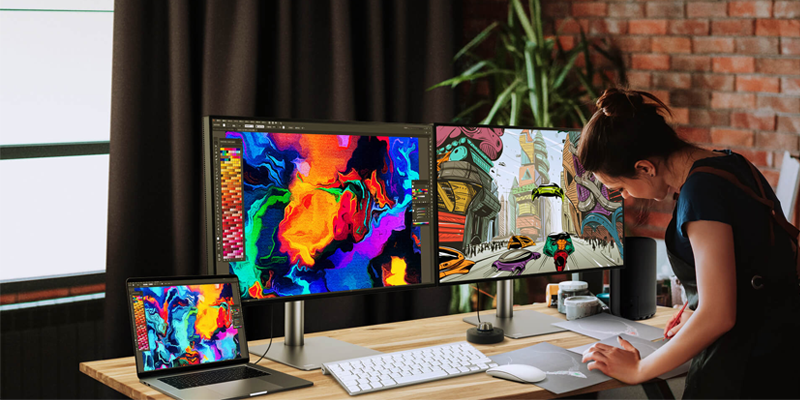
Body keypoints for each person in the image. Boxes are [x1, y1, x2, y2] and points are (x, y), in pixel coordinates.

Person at [578, 88, 800, 399]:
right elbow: (756, 260)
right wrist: (696, 313)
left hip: (747, 369)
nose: (625, 197)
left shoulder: (700, 194)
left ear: (644, 168)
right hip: (783, 350)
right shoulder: (731, 163)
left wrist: (638, 369)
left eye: (621, 187)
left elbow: (719, 314)